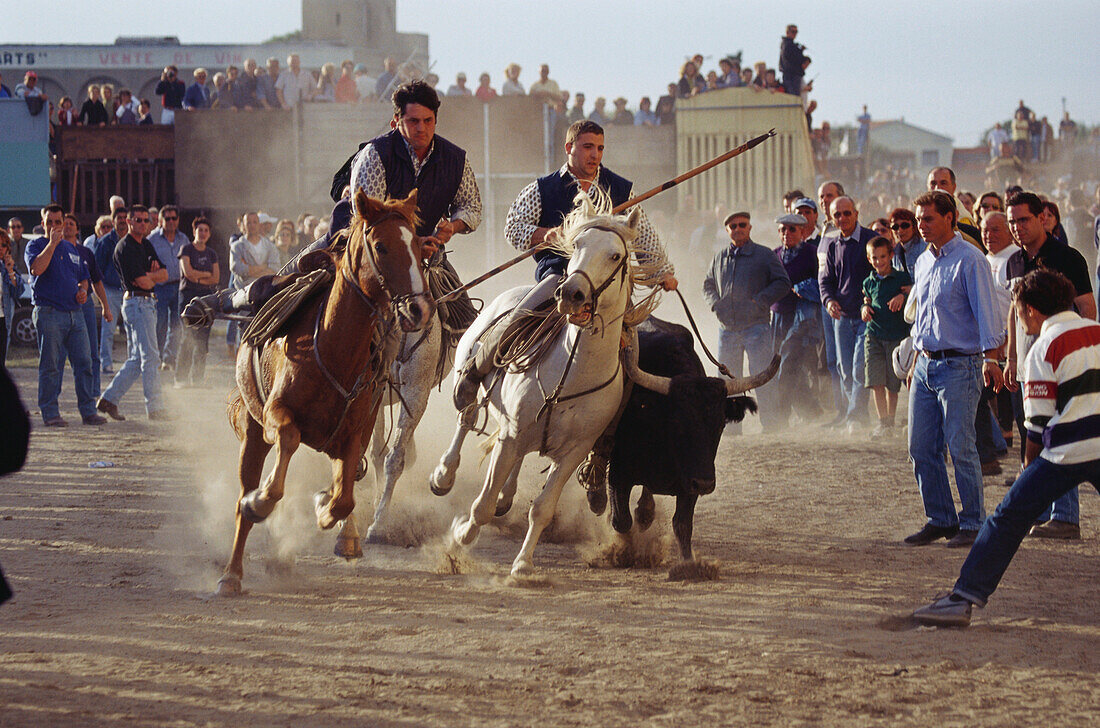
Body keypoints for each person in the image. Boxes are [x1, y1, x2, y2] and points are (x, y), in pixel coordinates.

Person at [912, 269, 1100, 627]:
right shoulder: (1097, 330)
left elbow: (1037, 428)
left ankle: (963, 598)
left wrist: (1028, 476)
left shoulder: (1043, 348)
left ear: (1030, 310)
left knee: (1007, 518)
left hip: (1067, 452)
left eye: (1017, 309)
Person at [903, 191, 1004, 548]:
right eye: (919, 219)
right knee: (920, 447)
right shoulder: (923, 261)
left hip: (960, 365)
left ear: (950, 217)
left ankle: (974, 523)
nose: (921, 226)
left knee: (961, 447)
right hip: (925, 364)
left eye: (928, 219)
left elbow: (988, 314)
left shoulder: (971, 260)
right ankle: (941, 518)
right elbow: (922, 312)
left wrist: (991, 360)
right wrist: (915, 354)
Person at [1003, 192, 1095, 538]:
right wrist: (1011, 358)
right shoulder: (1014, 262)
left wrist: (1081, 354)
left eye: (1023, 220)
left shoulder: (1066, 257)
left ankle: (1066, 516)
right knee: (1032, 431)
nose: (1017, 228)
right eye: (1012, 221)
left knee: (1058, 433)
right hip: (1027, 361)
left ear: (1042, 218)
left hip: (1061, 361)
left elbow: (1087, 306)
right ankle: (1039, 509)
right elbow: (1014, 313)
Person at [704, 211, 790, 433]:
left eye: (742, 224)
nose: (738, 228)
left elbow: (783, 282)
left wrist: (759, 301)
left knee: (762, 375)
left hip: (756, 327)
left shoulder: (765, 255)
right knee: (728, 382)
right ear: (727, 231)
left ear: (750, 228)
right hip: (728, 329)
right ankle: (732, 428)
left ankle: (772, 425)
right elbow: (708, 285)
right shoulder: (719, 257)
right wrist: (715, 303)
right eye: (733, 226)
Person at [25, 204, 103, 427]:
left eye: (58, 222)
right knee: (51, 365)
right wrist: (52, 243)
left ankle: (88, 411)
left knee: (85, 362)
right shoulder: (36, 245)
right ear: (43, 224)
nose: (54, 226)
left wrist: (81, 290)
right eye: (49, 222)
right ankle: (50, 413)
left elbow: (84, 277)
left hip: (75, 313)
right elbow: (36, 269)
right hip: (49, 312)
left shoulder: (72, 250)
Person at [97, 205, 170, 421]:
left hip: (145, 303)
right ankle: (155, 408)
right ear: (129, 222)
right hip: (137, 302)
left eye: (145, 220)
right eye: (138, 220)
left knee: (137, 359)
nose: (142, 224)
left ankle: (109, 399)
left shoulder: (145, 244)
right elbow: (143, 280)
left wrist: (153, 275)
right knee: (150, 357)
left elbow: (165, 273)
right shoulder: (124, 247)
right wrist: (153, 274)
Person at [819, 196, 875, 431]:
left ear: (856, 213)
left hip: (866, 316)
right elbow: (825, 281)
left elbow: (883, 274)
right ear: (831, 219)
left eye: (846, 213)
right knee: (844, 370)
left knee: (859, 368)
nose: (842, 218)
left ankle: (854, 417)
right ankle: (858, 416)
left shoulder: (871, 241)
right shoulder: (832, 245)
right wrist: (828, 300)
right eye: (837, 215)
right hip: (841, 316)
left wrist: (870, 302)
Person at [771, 212, 821, 425]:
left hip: (802, 317)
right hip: (778, 315)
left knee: (788, 363)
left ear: (802, 231)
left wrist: (804, 288)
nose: (787, 233)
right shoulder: (775, 254)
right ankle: (811, 411)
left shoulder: (811, 253)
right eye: (783, 229)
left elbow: (822, 282)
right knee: (779, 364)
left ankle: (781, 417)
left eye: (792, 229)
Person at [860, 235, 911, 435]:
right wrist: (864, 308)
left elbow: (913, 296)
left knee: (892, 383)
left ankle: (891, 419)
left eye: (883, 257)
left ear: (890, 256)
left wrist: (903, 296)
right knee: (876, 381)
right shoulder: (868, 281)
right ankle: (883, 422)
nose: (879, 262)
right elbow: (867, 299)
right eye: (874, 258)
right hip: (873, 335)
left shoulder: (901, 278)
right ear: (869, 258)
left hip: (896, 336)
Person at [64, 213, 112, 399]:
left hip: (85, 307)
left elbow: (97, 282)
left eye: (71, 224)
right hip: (63, 305)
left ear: (77, 229)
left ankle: (94, 393)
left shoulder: (86, 253)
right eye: (64, 223)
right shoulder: (56, 250)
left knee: (92, 351)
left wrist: (106, 307)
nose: (67, 227)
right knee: (61, 356)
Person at [176, 217, 219, 387]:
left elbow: (215, 278)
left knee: (203, 340)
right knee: (187, 338)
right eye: (200, 230)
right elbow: (188, 273)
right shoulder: (186, 249)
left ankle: (198, 378)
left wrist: (198, 277)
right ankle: (180, 378)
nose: (202, 233)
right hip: (188, 297)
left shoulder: (211, 253)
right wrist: (205, 276)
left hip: (206, 299)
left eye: (206, 230)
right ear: (194, 232)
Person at [146, 206, 189, 369]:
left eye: (174, 218)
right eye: (167, 218)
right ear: (161, 220)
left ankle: (169, 358)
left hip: (179, 286)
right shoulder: (152, 239)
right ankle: (156, 357)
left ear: (177, 220)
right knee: (160, 324)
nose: (171, 222)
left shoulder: (183, 238)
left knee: (177, 324)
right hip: (160, 288)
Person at [86, 207, 128, 374]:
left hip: (128, 291)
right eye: (119, 218)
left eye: (125, 217)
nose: (123, 220)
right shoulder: (105, 242)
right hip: (110, 290)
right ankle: (107, 363)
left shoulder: (132, 240)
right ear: (114, 220)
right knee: (108, 329)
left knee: (131, 329)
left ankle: (132, 363)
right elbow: (97, 269)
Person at [0, 229, 26, 368]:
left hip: (3, 319)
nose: (0, 248)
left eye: (3, 245)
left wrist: (10, 271)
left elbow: (18, 292)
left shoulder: (9, 267)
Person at [888, 207, 926, 278]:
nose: (900, 231)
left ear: (914, 227)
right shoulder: (894, 253)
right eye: (895, 227)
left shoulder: (924, 248)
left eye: (905, 226)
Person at [778, 24, 808, 96]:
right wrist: (800, 51)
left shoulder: (789, 44)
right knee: (793, 95)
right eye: (793, 31)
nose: (795, 34)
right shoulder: (788, 44)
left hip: (793, 75)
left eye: (796, 32)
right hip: (791, 75)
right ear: (787, 32)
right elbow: (793, 58)